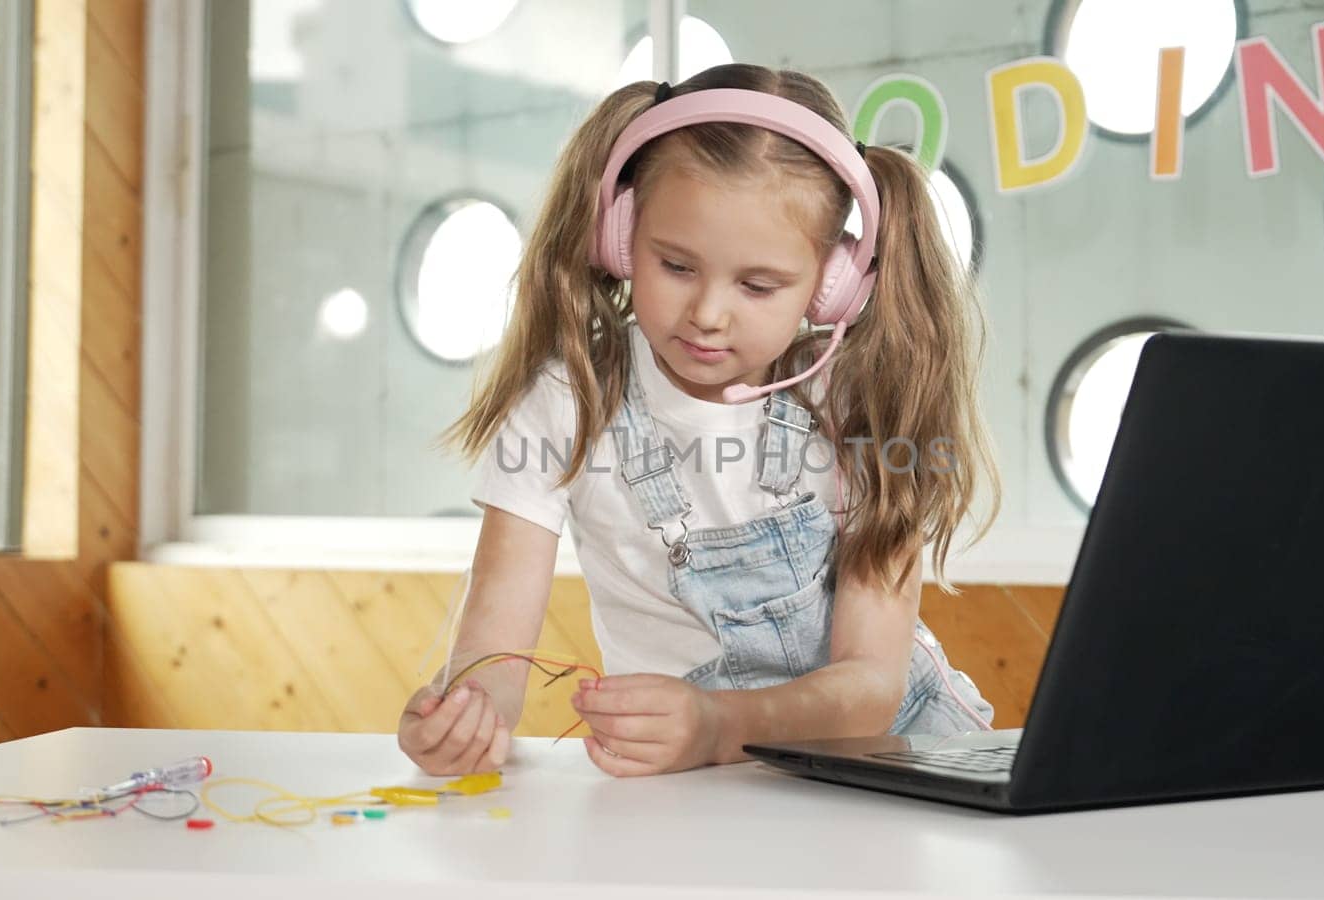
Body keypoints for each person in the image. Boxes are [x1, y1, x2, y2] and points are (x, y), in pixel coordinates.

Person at [397, 63, 1000, 778]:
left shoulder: (858, 409)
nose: (709, 314)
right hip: (699, 785)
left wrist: (720, 726)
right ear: (620, 237)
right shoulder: (568, 399)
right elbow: (492, 652)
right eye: (676, 266)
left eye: (757, 285)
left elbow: (871, 688)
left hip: (899, 764)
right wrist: (466, 711)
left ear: (832, 286)